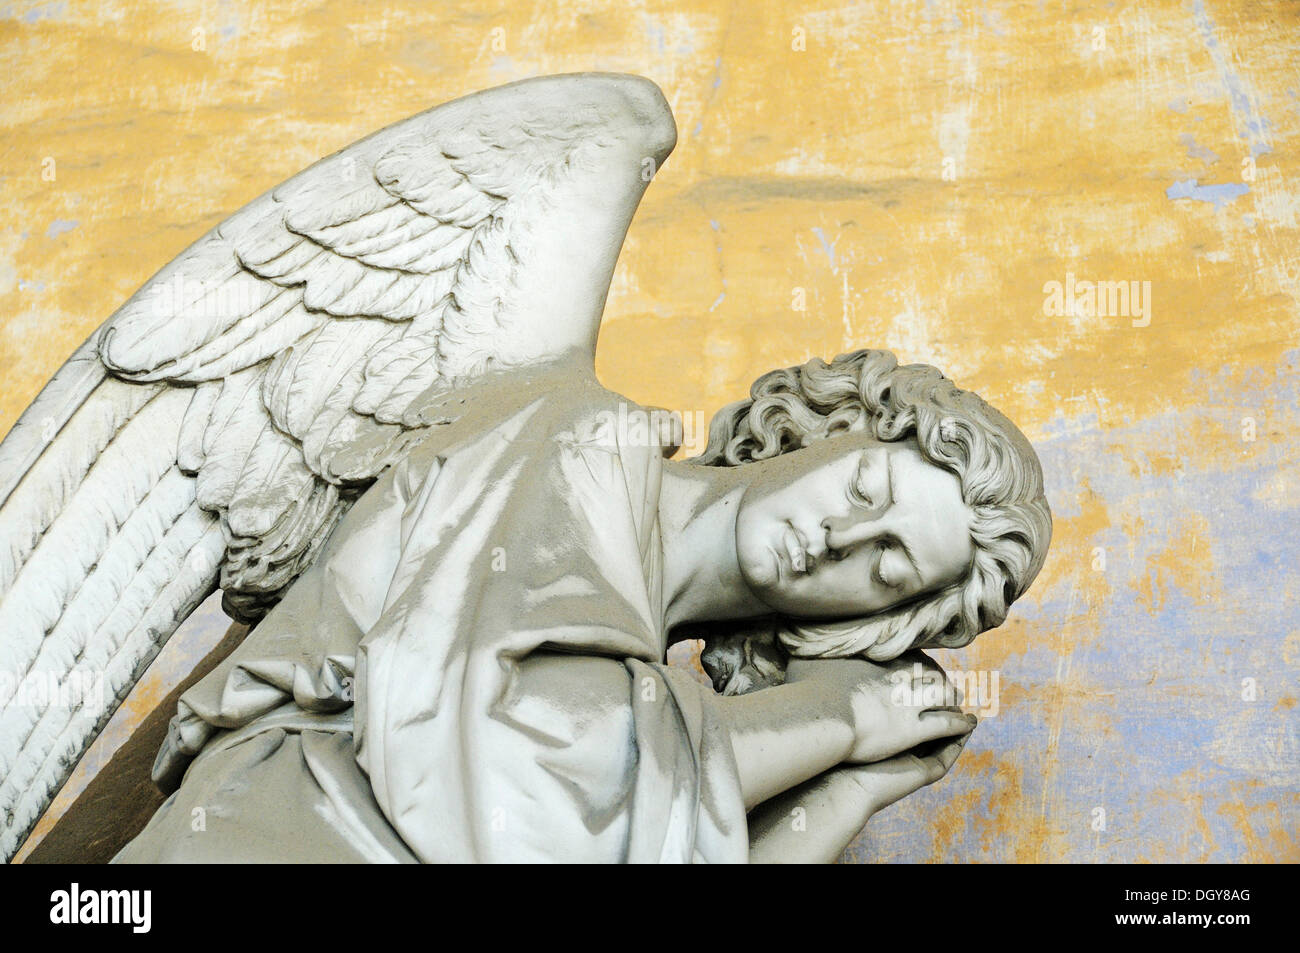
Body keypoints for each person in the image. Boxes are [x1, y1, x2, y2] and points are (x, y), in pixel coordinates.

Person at [113, 348, 1050, 863]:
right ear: (837, 428)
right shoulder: (585, 441)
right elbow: (519, 761)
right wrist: (832, 716)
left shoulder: (659, 706)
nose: (845, 539)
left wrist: (847, 789)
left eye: (888, 567)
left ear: (867, 624)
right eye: (867, 489)